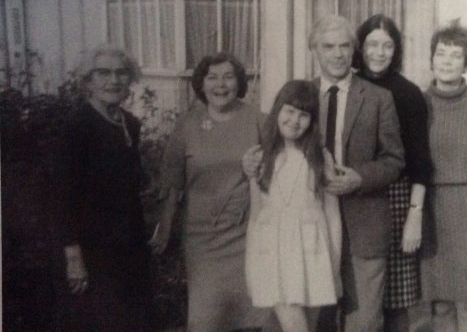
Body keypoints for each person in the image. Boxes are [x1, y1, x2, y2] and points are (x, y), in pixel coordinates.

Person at [151, 52, 267, 332]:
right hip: (203, 238)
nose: (220, 85)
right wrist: (164, 230)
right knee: (206, 320)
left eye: (228, 77)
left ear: (239, 83)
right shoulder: (187, 124)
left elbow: (278, 167)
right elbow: (172, 183)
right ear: (201, 85)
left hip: (248, 234)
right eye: (212, 77)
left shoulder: (258, 120)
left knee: (255, 315)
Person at [310, 14, 405, 332]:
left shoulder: (379, 98)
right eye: (328, 46)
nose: (337, 54)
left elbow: (394, 160)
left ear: (354, 50)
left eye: (344, 46)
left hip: (364, 223)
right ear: (315, 50)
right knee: (318, 319)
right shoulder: (301, 96)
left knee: (364, 322)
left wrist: (359, 178)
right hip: (312, 223)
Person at [54, 44, 154, 331]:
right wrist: (73, 258)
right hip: (93, 249)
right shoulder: (77, 127)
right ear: (88, 80)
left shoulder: (130, 124)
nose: (114, 80)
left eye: (122, 73)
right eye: (104, 73)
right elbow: (62, 196)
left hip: (130, 245)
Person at [353, 14, 433, 332]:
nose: (379, 52)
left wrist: (415, 215)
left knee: (395, 298)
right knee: (358, 294)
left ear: (396, 50)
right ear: (361, 46)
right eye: (373, 44)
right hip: (355, 196)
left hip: (398, 199)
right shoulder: (347, 85)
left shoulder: (407, 93)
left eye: (388, 45)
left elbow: (420, 161)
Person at [244, 80, 342, 332]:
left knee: (307, 326)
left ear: (312, 121)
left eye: (304, 115)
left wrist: (334, 263)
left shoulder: (321, 158)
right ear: (278, 110)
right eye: (289, 111)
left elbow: (332, 215)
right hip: (273, 251)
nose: (295, 120)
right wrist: (250, 264)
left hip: (313, 251)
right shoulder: (259, 157)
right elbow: (256, 215)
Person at [420, 20, 467, 332]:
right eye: (441, 53)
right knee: (439, 305)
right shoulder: (417, 104)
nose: (447, 62)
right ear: (432, 59)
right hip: (431, 209)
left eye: (456, 55)